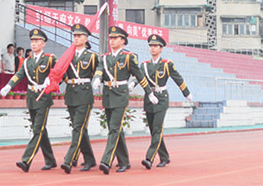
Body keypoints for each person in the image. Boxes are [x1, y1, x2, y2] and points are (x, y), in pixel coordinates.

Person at [92, 26, 158, 175]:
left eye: (116, 38)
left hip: (120, 96)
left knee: (114, 128)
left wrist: (149, 93)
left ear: (123, 41)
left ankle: (106, 161)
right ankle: (124, 161)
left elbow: (140, 76)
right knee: (115, 129)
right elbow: (99, 70)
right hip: (108, 95)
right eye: (111, 38)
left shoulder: (128, 57)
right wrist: (97, 79)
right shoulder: (104, 57)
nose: (112, 40)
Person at [0, 29, 57, 172]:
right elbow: (19, 75)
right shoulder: (27, 62)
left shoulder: (50, 59)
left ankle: (26, 160)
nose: (34, 44)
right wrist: (8, 86)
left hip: (43, 97)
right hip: (32, 98)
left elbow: (59, 73)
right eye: (32, 41)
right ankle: (50, 160)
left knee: (38, 130)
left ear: (43, 44)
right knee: (40, 131)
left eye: (37, 41)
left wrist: (50, 82)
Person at [140, 34, 192, 170]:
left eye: (155, 46)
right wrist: (131, 85)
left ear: (161, 48)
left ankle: (149, 158)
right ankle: (164, 157)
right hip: (149, 98)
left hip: (161, 98)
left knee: (157, 129)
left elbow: (178, 78)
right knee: (154, 131)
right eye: (151, 46)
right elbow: (139, 77)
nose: (152, 48)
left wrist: (186, 92)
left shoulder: (167, 64)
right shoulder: (145, 65)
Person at [60, 24, 99, 174]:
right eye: (74, 36)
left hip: (84, 95)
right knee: (81, 129)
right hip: (71, 94)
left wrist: (96, 79)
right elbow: (61, 70)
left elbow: (99, 70)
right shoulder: (68, 54)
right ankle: (89, 159)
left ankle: (69, 160)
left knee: (77, 128)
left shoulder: (92, 56)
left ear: (86, 38)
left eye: (79, 36)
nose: (76, 38)